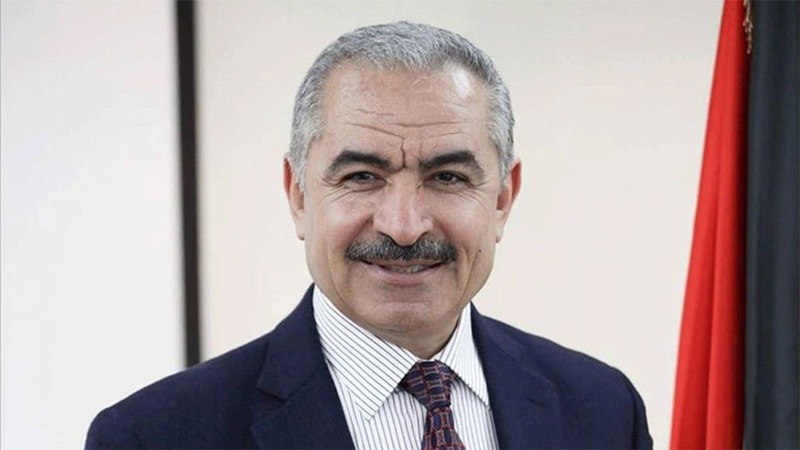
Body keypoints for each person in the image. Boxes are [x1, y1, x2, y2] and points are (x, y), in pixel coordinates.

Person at [86, 21, 652, 449]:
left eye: (447, 177)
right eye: (362, 176)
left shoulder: (604, 410)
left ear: (503, 199)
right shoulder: (153, 436)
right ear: (299, 195)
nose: (403, 227)